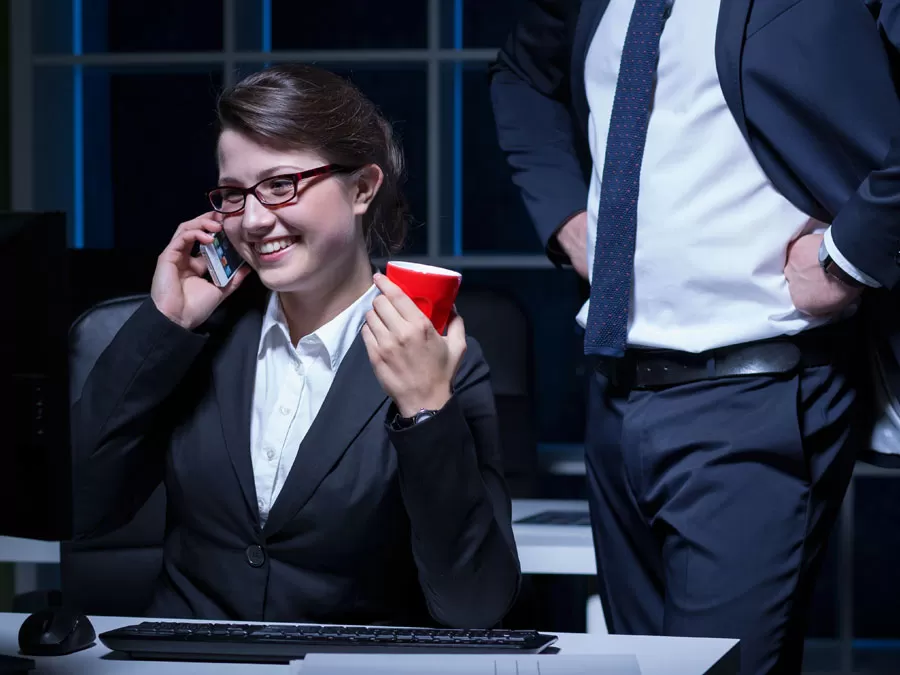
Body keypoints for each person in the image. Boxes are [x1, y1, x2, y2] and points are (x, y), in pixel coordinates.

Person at [490, 1, 900, 672]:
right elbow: (519, 74)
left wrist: (849, 256)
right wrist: (564, 214)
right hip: (614, 394)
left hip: (760, 390)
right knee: (641, 668)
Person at [72, 63, 521, 628]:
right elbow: (79, 511)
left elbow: (473, 602)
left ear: (362, 189)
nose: (254, 221)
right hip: (186, 661)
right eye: (233, 195)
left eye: (281, 185)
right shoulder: (199, 338)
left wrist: (426, 409)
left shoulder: (435, 354)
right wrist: (166, 324)